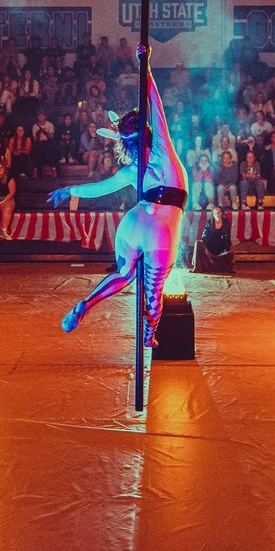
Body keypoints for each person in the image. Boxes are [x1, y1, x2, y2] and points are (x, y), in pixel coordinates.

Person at [51, 46, 187, 343]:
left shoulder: (131, 172)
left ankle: (85, 304)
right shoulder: (163, 151)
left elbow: (100, 189)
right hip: (162, 229)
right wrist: (146, 65)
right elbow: (155, 103)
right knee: (153, 293)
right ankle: (150, 334)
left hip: (134, 222)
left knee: (125, 275)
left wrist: (69, 189)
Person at [196, 205, 234, 275]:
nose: (217, 214)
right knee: (198, 243)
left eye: (219, 212)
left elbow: (227, 237)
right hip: (210, 244)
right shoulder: (209, 222)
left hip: (221, 245)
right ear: (213, 214)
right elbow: (204, 236)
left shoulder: (225, 222)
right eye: (215, 213)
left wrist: (226, 250)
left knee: (229, 253)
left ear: (222, 213)